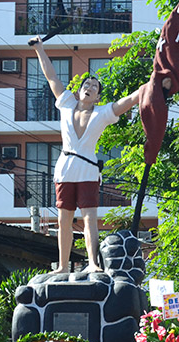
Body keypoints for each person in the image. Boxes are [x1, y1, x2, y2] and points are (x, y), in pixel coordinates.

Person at [30, 36, 142, 273]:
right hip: (65, 168)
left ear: (98, 97)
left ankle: (92, 263)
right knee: (64, 220)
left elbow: (130, 100)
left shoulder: (102, 113)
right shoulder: (67, 103)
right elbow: (51, 77)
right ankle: (62, 266)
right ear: (79, 91)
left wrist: (150, 85)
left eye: (94, 87)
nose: (90, 88)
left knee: (90, 217)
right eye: (86, 85)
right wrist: (39, 48)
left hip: (88, 169)